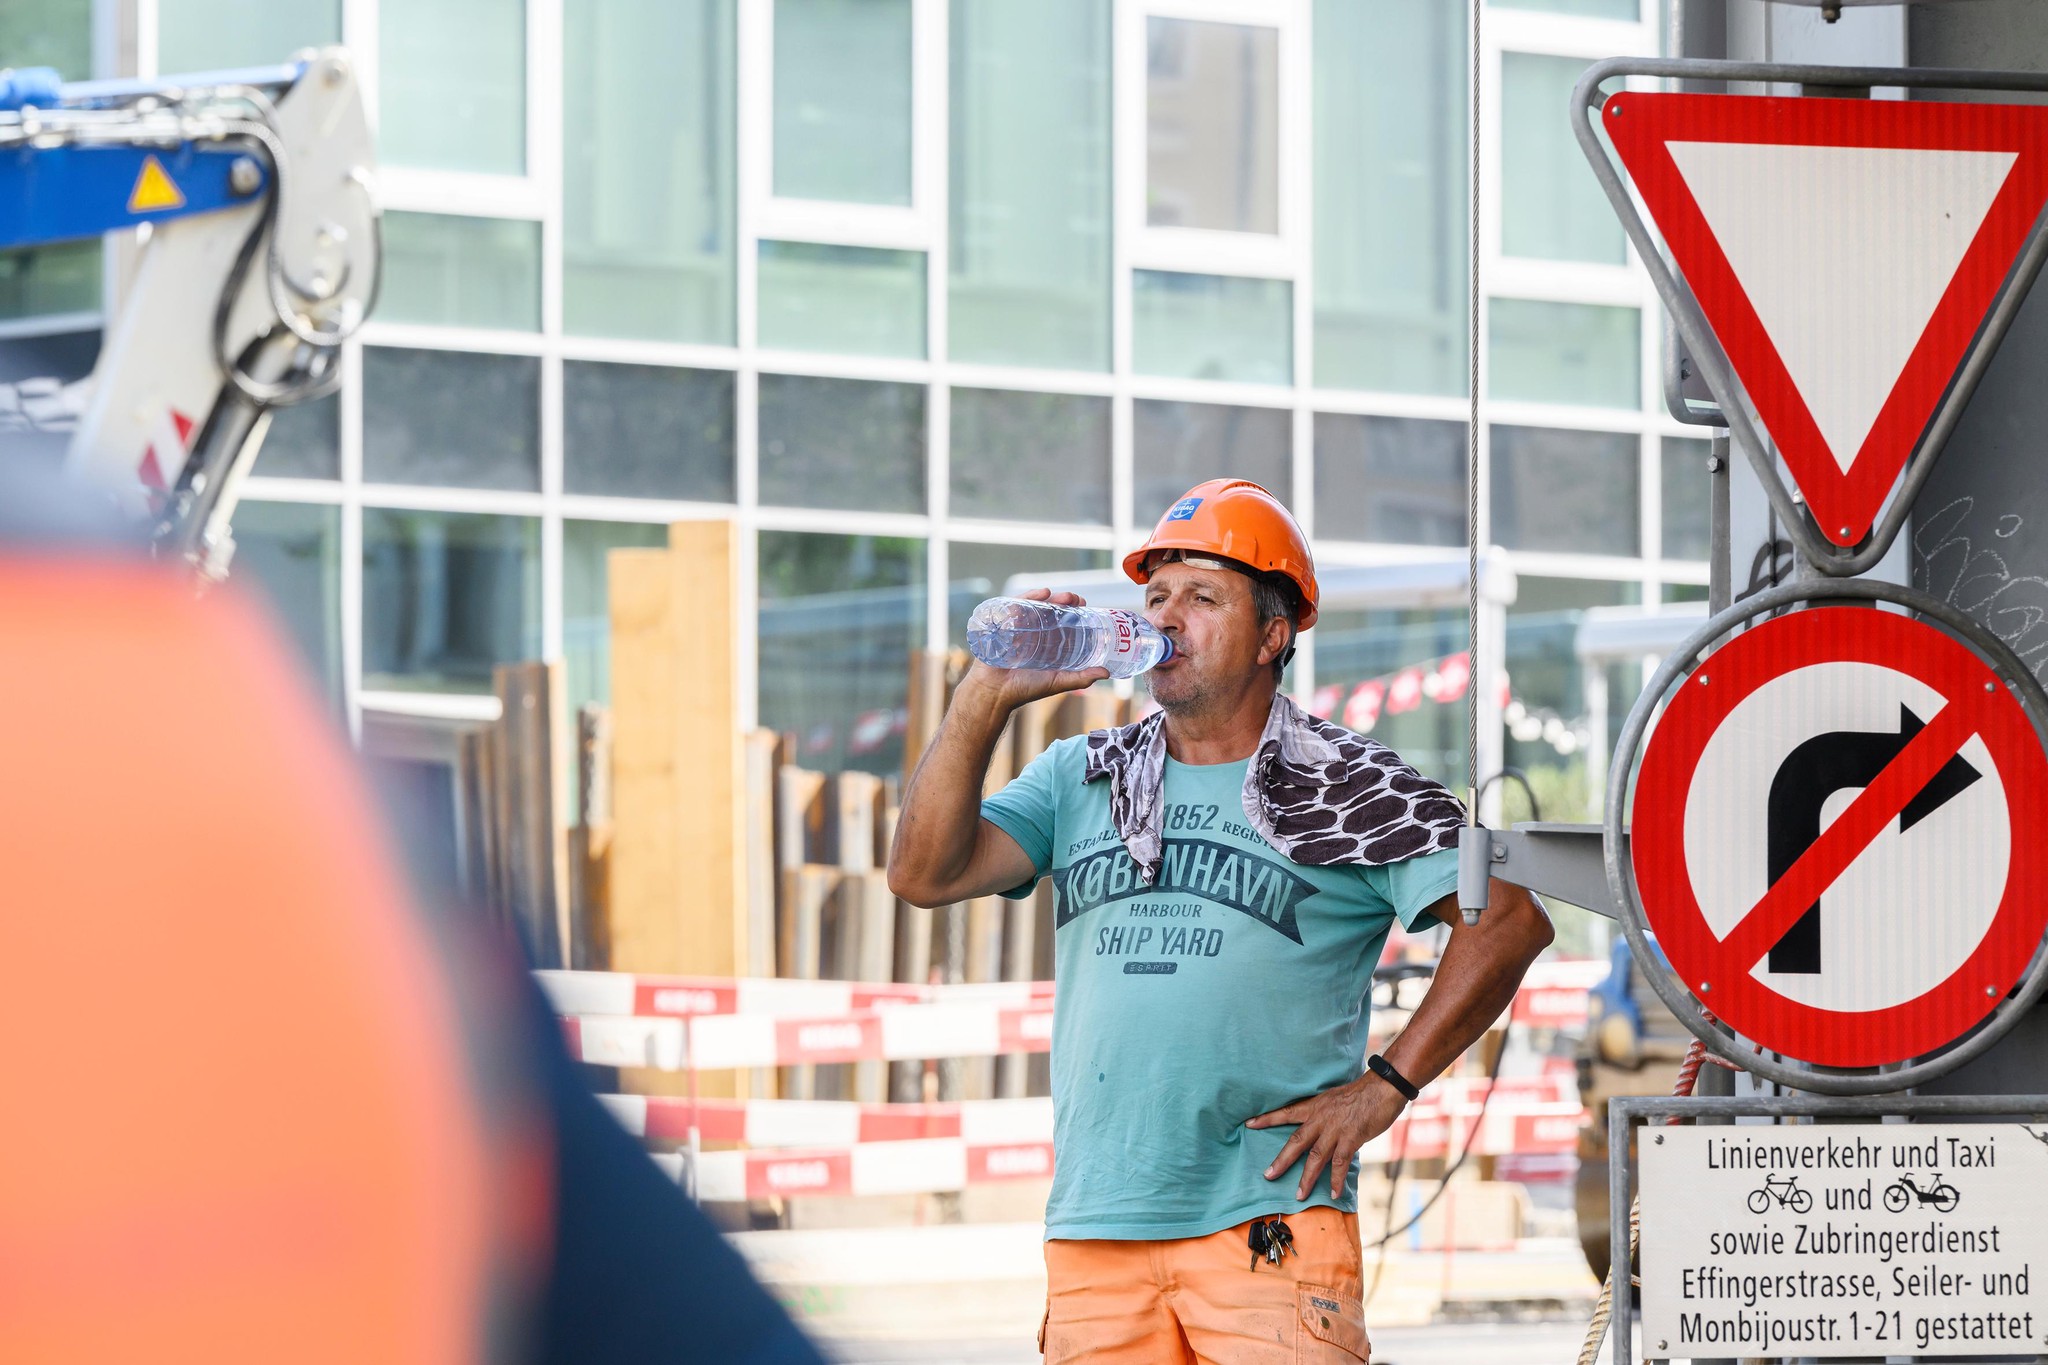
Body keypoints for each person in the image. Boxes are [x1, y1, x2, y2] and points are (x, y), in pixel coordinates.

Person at [888, 478, 1552, 1364]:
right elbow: (921, 873)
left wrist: (1386, 1085)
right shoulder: (1078, 777)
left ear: (1273, 634)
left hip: (1269, 1224)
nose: (1168, 618)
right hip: (1098, 1225)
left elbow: (1507, 921)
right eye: (1156, 596)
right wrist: (984, 696)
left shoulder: (1347, 782)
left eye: (1203, 597)